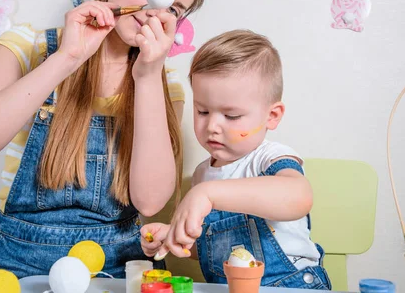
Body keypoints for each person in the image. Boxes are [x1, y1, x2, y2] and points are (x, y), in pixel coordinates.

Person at [0, 0, 208, 287]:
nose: (154, 10)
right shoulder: (26, 47)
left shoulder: (162, 83)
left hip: (114, 265)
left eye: (173, 9)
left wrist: (147, 77)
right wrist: (66, 58)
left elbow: (150, 201)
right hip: (14, 261)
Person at [141, 30, 332, 290]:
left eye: (231, 116)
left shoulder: (268, 157)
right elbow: (212, 247)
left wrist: (207, 194)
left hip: (290, 285)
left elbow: (299, 197)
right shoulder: (202, 174)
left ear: (272, 116)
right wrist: (175, 234)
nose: (212, 126)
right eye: (203, 111)